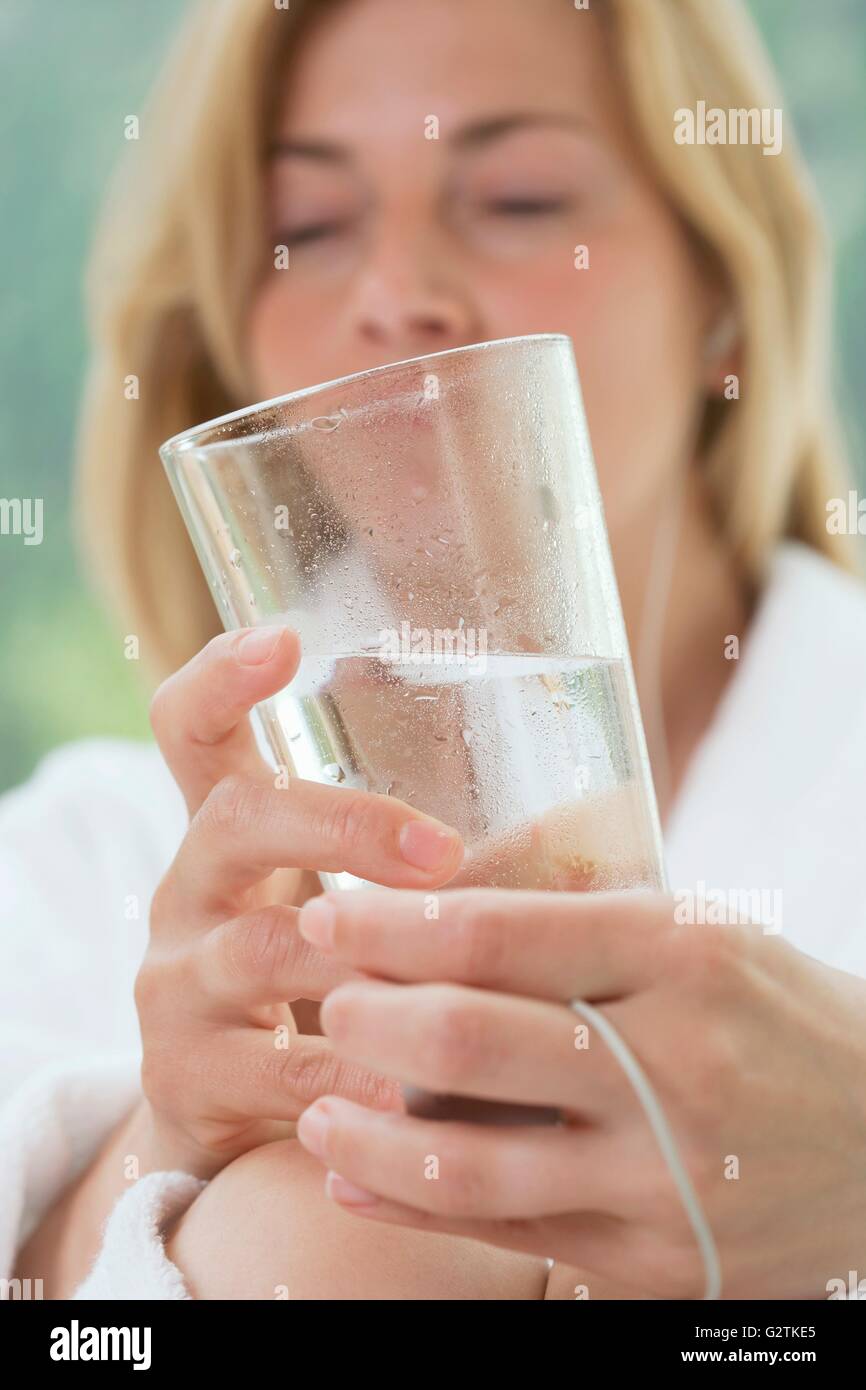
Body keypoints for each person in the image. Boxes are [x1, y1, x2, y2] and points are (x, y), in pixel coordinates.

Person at [3, 0, 865, 1300]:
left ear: (722, 298)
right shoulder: (90, 862)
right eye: (305, 227)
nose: (401, 293)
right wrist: (161, 1157)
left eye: (517, 197)